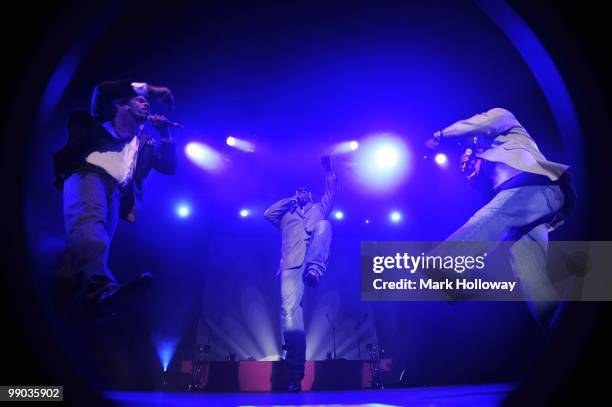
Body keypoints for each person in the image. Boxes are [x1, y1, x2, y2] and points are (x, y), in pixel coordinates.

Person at [425, 108, 575, 336]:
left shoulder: (505, 120)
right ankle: (562, 331)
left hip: (537, 186)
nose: (468, 148)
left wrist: (441, 136)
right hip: (529, 208)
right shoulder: (487, 163)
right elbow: (493, 196)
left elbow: (480, 123)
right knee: (532, 277)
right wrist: (475, 174)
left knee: (494, 217)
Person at [54, 79, 178, 320]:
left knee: (79, 258)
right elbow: (102, 90)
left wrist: (166, 135)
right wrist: (149, 90)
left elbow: (169, 166)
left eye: (147, 102)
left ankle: (61, 307)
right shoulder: (105, 116)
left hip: (115, 194)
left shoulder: (145, 140)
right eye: (138, 100)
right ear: (121, 106)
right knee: (91, 233)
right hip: (87, 174)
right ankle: (100, 291)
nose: (145, 104)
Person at [264, 156, 337, 392]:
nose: (303, 192)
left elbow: (331, 191)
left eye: (306, 190)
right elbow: (268, 213)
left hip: (312, 260)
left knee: (325, 225)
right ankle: (295, 372)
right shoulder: (286, 215)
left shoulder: (319, 208)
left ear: (312, 195)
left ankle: (315, 270)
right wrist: (291, 200)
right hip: (291, 266)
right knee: (289, 313)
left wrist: (329, 171)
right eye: (300, 190)